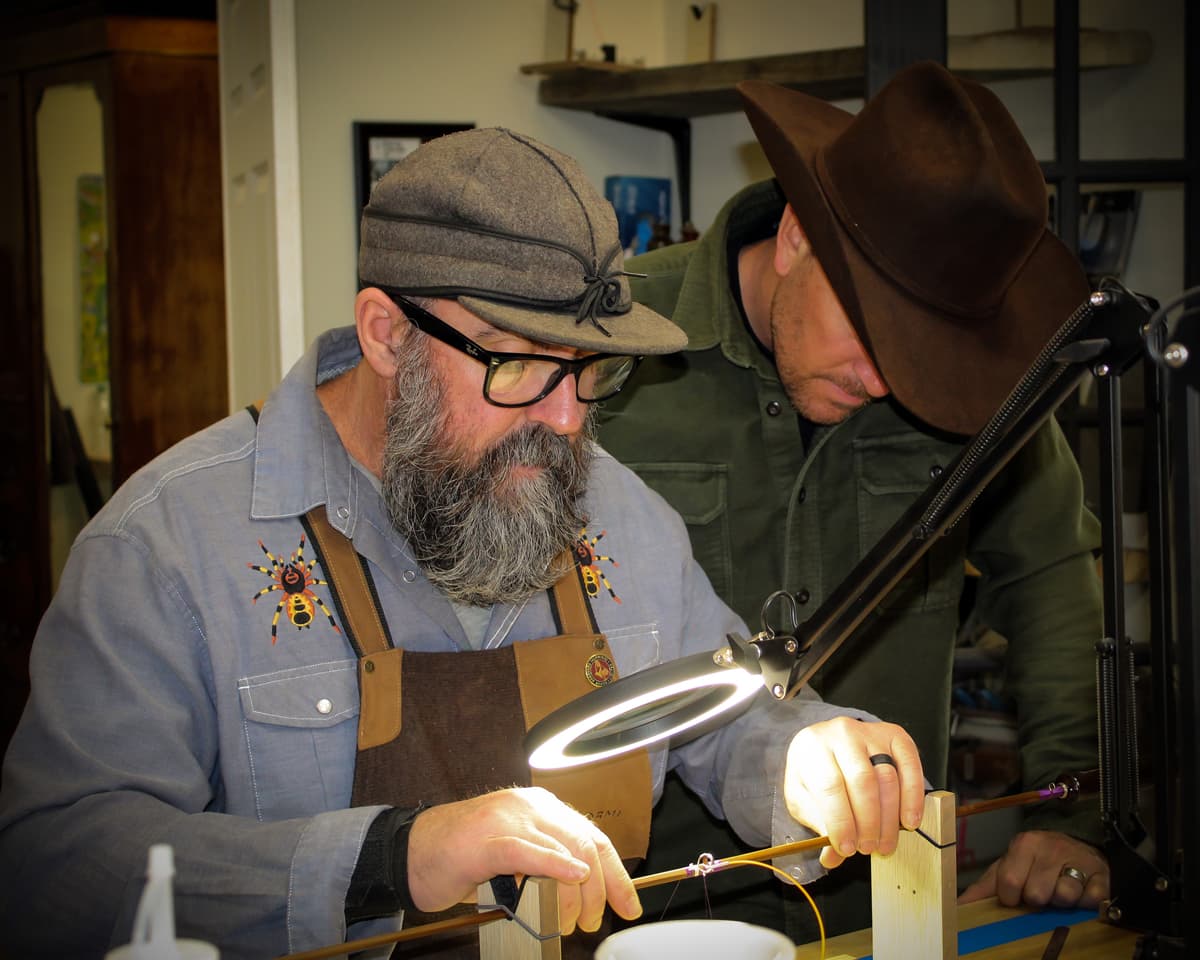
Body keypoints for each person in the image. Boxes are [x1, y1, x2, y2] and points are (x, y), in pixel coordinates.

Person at [0, 127, 926, 960]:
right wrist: (395, 856)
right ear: (388, 334)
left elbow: (727, 722)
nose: (566, 422)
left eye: (589, 371)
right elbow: (51, 869)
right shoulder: (168, 547)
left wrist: (809, 756)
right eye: (517, 363)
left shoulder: (621, 517)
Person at [596, 61, 1110, 942]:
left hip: (886, 903)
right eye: (873, 335)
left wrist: (1071, 805)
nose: (884, 382)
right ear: (797, 235)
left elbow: (1053, 577)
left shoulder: (972, 390)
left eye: (921, 357)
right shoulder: (611, 347)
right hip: (643, 910)